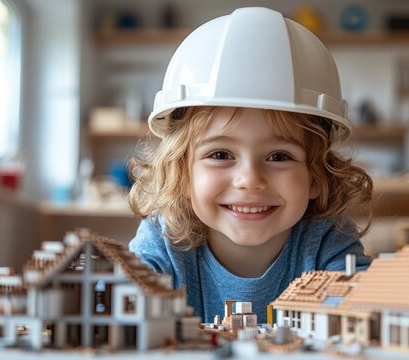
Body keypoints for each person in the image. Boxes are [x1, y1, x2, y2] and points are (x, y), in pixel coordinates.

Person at [128, 7, 373, 323]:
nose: (250, 180)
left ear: (316, 175)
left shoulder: (328, 242)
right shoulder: (164, 241)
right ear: (182, 171)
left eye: (279, 156)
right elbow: (118, 305)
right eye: (220, 155)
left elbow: (365, 314)